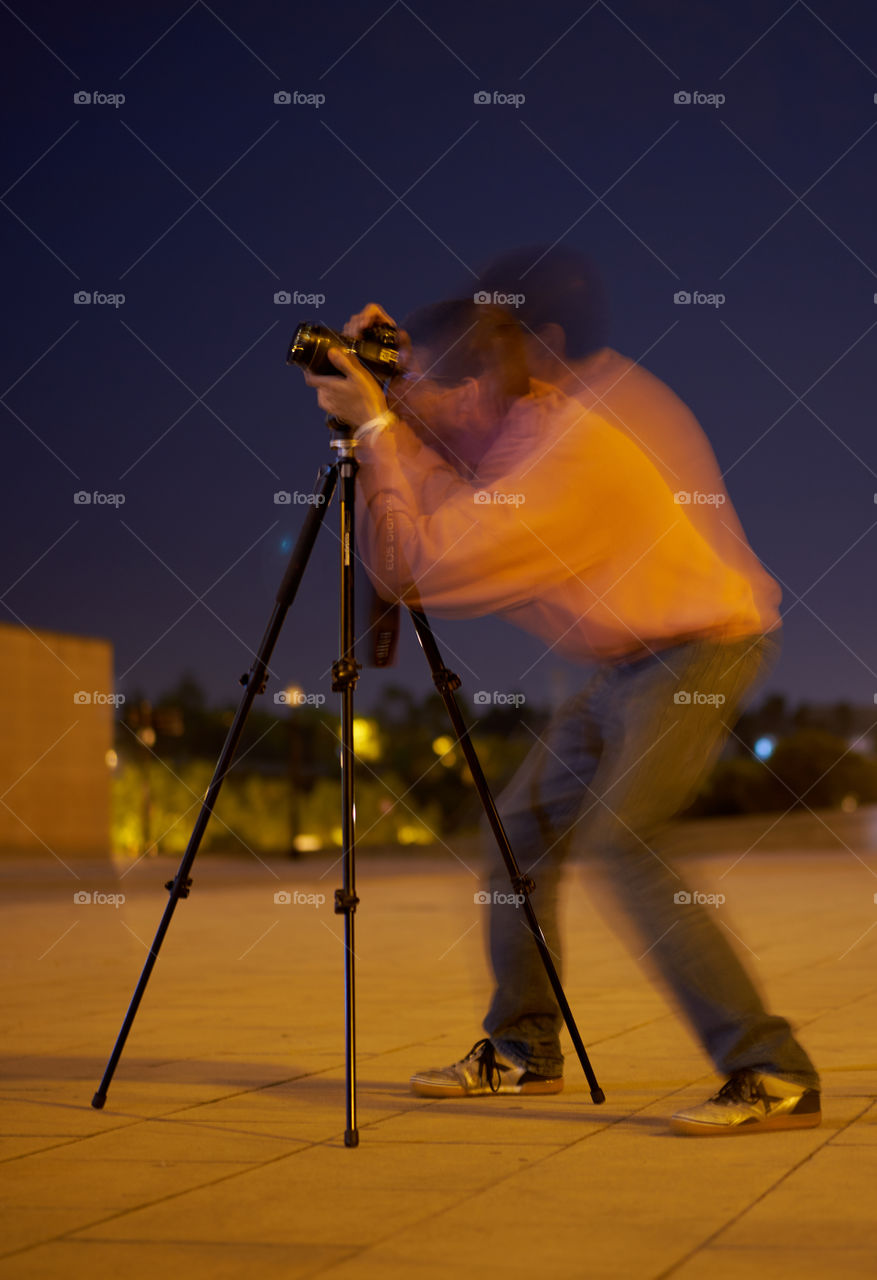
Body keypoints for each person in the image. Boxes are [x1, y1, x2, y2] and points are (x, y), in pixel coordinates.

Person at [300, 270, 821, 1137]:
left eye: (470, 364)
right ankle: (523, 1052)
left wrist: (379, 428)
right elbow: (460, 422)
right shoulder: (526, 420)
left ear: (519, 360)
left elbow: (413, 569)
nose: (455, 385)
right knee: (518, 841)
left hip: (700, 651)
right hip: (622, 666)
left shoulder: (565, 455)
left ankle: (773, 1071)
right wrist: (389, 381)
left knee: (624, 843)